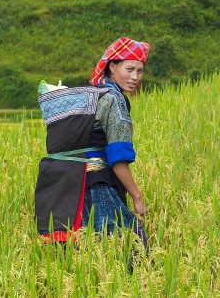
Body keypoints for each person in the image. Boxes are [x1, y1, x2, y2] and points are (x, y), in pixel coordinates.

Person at [35, 37, 149, 251]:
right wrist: (137, 197)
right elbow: (118, 156)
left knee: (77, 257)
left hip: (66, 189)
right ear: (112, 67)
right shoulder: (114, 100)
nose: (135, 77)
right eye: (130, 69)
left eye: (140, 71)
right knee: (129, 250)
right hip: (97, 188)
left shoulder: (95, 96)